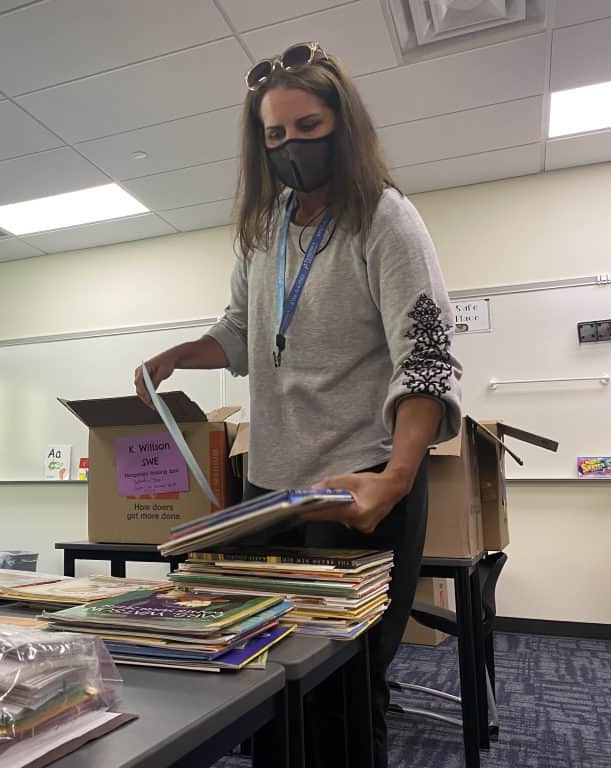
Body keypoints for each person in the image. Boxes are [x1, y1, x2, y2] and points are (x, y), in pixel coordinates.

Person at [135, 42, 462, 767]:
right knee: (266, 682)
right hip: (270, 491)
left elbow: (428, 357)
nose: (291, 148)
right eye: (274, 135)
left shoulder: (386, 218)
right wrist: (181, 354)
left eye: (307, 128)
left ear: (343, 124)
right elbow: (243, 331)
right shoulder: (265, 228)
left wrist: (396, 480)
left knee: (339, 691)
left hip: (357, 486)